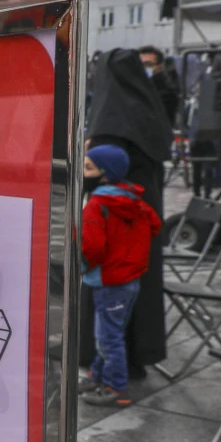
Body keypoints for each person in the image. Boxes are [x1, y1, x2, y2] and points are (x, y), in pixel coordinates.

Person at [82, 48, 171, 380]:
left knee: (109, 299)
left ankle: (108, 369)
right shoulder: (146, 109)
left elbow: (91, 179)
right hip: (142, 217)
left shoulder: (109, 120)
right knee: (138, 288)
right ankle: (136, 355)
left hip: (112, 224)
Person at [79, 144, 162, 406]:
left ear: (105, 174)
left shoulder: (97, 204)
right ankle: (97, 375)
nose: (83, 171)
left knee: (107, 338)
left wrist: (81, 266)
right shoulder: (133, 198)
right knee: (110, 332)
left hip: (107, 281)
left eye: (88, 167)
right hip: (129, 281)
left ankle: (116, 388)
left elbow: (91, 246)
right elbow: (155, 225)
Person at [138, 45, 180, 129]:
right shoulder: (135, 85)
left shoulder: (167, 92)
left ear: (159, 67)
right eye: (139, 64)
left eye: (148, 64)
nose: (142, 68)